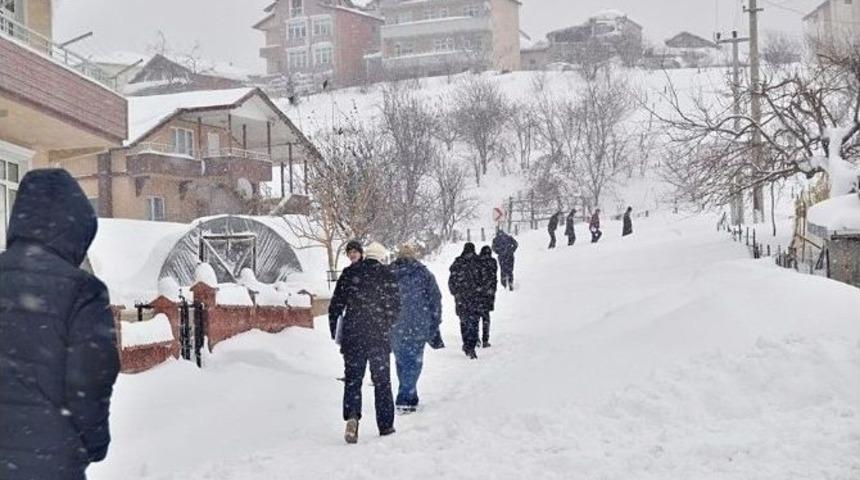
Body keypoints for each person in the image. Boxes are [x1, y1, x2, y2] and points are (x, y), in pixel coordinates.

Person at [0, 169, 120, 480]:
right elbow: (90, 379)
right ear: (75, 228)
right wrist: (93, 443)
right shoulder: (82, 291)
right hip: (50, 461)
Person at [328, 241, 400, 444]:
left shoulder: (350, 274)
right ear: (381, 257)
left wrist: (337, 332)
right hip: (378, 338)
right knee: (382, 381)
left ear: (366, 255)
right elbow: (395, 308)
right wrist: (385, 323)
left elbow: (335, 306)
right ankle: (386, 425)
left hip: (353, 337)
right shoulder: (387, 275)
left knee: (353, 380)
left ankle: (352, 417)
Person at [389, 244, 442, 414]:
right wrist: (434, 322)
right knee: (414, 362)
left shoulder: (389, 274)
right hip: (419, 324)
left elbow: (380, 299)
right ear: (413, 256)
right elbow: (435, 300)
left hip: (395, 325)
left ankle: (410, 394)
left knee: (402, 361)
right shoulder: (424, 274)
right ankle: (405, 397)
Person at [448, 243, 482, 359]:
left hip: (462, 299)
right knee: (474, 322)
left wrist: (456, 293)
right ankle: (470, 346)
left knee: (464, 322)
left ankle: (467, 344)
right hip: (474, 298)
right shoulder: (478, 262)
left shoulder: (458, 263)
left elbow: (451, 281)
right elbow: (484, 279)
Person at [477, 246, 498, 348]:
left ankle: (476, 338)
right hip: (488, 294)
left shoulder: (476, 262)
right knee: (486, 317)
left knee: (475, 317)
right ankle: (485, 339)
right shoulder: (493, 262)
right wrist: (492, 291)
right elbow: (494, 278)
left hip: (477, 294)